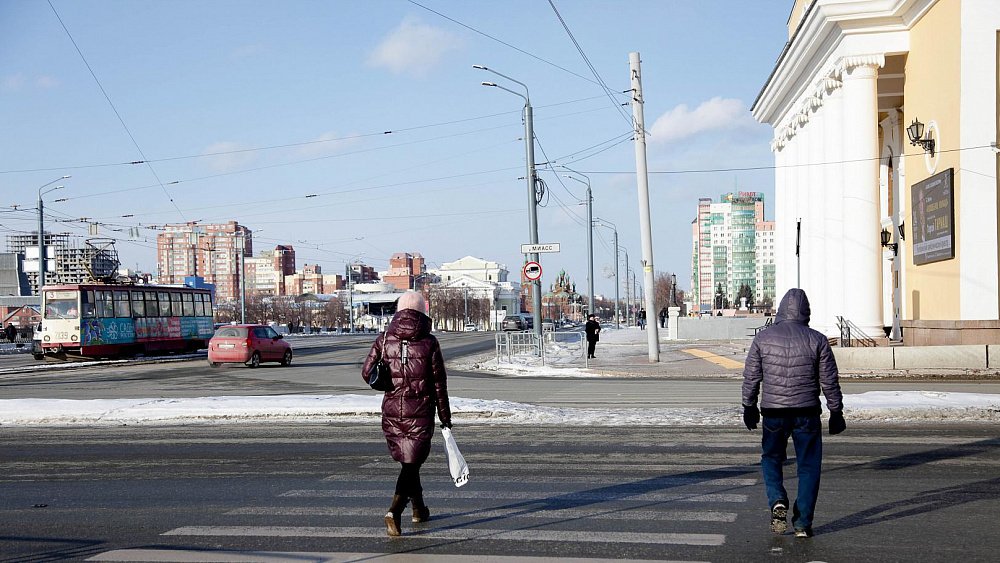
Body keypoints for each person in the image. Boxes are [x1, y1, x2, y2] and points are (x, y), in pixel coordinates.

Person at [741, 288, 844, 539]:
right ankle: (802, 523)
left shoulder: (763, 339)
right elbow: (829, 380)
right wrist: (836, 410)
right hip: (806, 411)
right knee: (809, 466)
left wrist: (749, 406)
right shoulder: (817, 340)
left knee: (771, 458)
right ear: (806, 312)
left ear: (780, 309)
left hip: (773, 412)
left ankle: (777, 498)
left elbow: (752, 376)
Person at [362, 291, 452, 537]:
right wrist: (445, 417)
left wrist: (387, 381)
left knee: (409, 463)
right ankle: (394, 511)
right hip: (421, 412)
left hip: (392, 411)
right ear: (423, 311)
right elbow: (438, 385)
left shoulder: (384, 339)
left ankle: (419, 509)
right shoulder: (430, 342)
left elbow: (366, 372)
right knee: (411, 466)